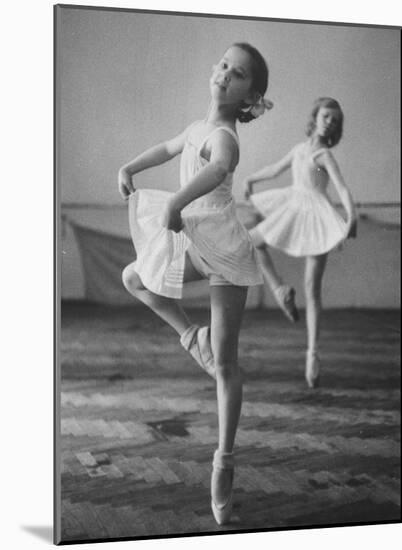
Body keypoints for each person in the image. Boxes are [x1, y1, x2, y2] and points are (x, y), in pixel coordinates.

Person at [118, 43, 273, 525]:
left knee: (226, 366)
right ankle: (191, 336)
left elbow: (218, 167)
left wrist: (176, 200)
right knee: (133, 277)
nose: (227, 75)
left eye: (240, 74)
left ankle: (223, 460)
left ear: (251, 98)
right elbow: (167, 148)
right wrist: (130, 167)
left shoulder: (226, 136)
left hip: (223, 250)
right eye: (225, 65)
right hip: (191, 236)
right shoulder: (195, 128)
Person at [244, 97, 357, 388]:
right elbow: (273, 170)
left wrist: (351, 217)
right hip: (294, 204)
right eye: (325, 115)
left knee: (312, 290)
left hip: (317, 215)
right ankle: (279, 289)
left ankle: (312, 354)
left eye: (334, 119)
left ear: (335, 126)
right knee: (253, 241)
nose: (328, 121)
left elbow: (342, 189)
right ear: (315, 117)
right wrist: (250, 180)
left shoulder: (324, 156)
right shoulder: (299, 150)